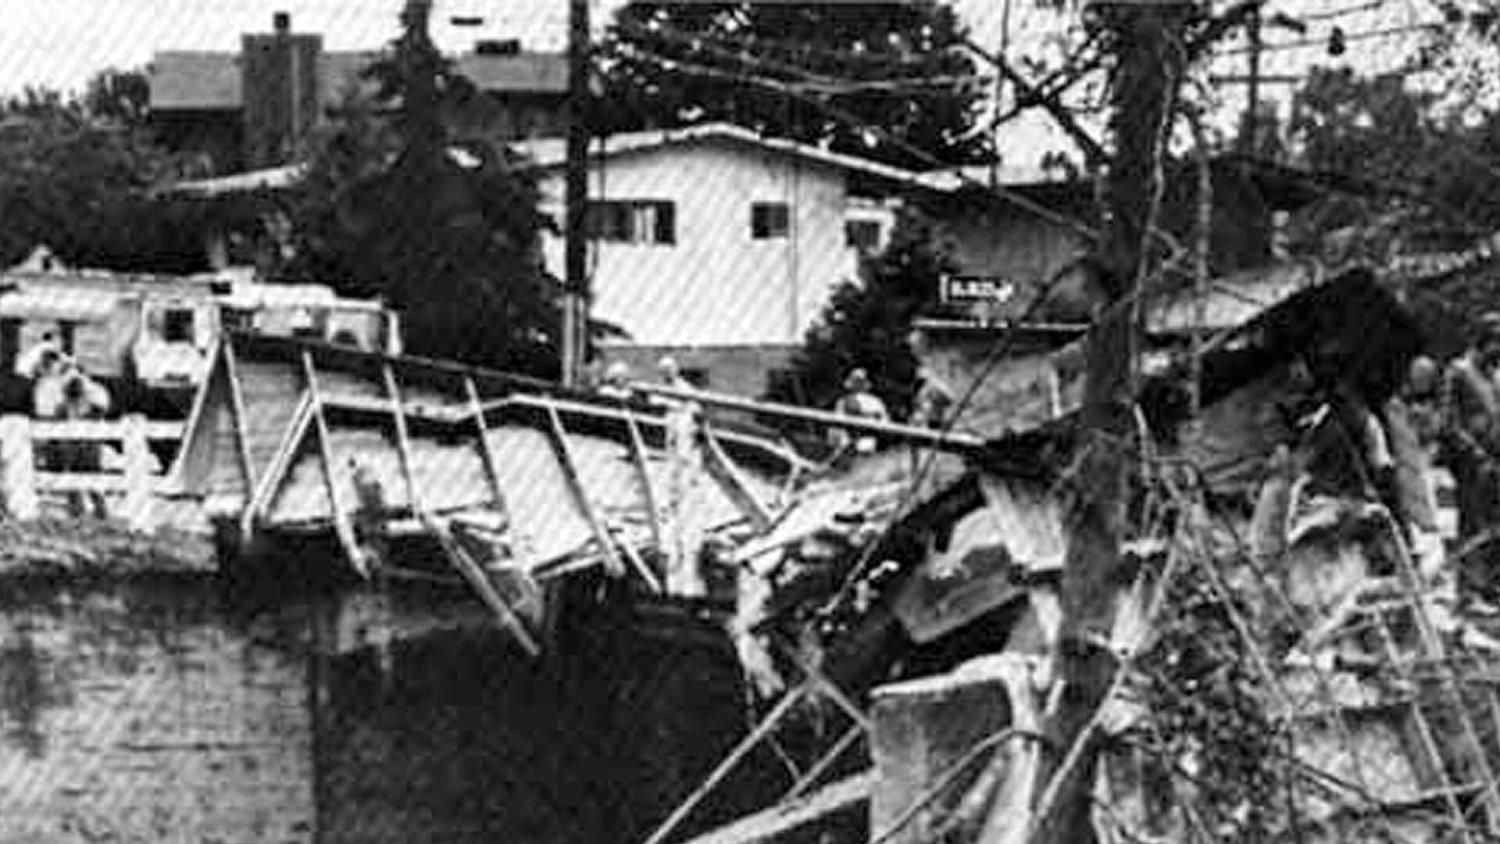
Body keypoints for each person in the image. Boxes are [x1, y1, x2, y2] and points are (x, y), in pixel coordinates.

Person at [830, 368, 889, 456]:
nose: (858, 384)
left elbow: (885, 423)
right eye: (855, 381)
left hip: (868, 439)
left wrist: (869, 419)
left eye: (860, 382)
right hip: (847, 441)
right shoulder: (842, 401)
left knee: (866, 446)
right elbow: (837, 423)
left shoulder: (876, 402)